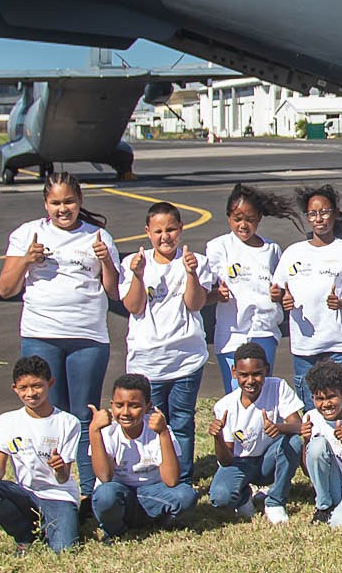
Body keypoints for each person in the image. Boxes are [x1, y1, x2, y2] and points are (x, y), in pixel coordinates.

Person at [0, 171, 117, 497]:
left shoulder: (98, 236)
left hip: (86, 337)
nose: (63, 209)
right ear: (45, 203)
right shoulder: (27, 234)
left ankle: (91, 492)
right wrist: (25, 261)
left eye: (69, 202)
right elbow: (6, 288)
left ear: (79, 202)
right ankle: (51, 490)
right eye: (56, 202)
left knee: (83, 418)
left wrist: (107, 262)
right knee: (48, 416)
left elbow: (115, 292)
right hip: (41, 334)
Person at [117, 202, 215, 483]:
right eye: (158, 231)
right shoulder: (134, 263)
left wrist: (191, 273)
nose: (165, 237)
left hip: (186, 359)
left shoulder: (195, 261)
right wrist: (137, 275)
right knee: (151, 423)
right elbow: (134, 306)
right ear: (147, 232)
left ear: (181, 229)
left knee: (182, 422)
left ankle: (181, 479)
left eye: (171, 229)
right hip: (147, 362)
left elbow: (195, 304)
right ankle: (156, 476)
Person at [0, 356, 83, 555]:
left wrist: (59, 467)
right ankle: (24, 535)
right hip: (25, 494)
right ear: (15, 388)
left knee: (64, 551)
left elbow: (63, 477)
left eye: (37, 386)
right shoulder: (6, 421)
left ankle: (55, 524)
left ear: (50, 384)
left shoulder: (68, 422)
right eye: (23, 388)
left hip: (58, 496)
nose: (31, 393)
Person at [204, 184, 293, 394]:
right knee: (237, 394)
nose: (243, 225)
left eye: (250, 219)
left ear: (259, 218)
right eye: (237, 218)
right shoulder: (219, 247)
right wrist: (216, 295)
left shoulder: (271, 249)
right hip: (232, 334)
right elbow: (203, 292)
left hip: (264, 330)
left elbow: (282, 288)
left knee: (261, 391)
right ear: (228, 217)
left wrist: (279, 295)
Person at [278, 185, 342, 409]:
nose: (319, 219)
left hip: (338, 344)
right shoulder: (293, 252)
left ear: (335, 213)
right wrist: (282, 298)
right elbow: (277, 289)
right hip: (305, 347)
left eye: (324, 212)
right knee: (312, 409)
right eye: (313, 214)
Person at [88, 373, 197, 539]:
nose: (125, 412)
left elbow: (171, 480)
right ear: (111, 405)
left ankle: (157, 523)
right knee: (105, 495)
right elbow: (104, 477)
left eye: (134, 406)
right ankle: (115, 531)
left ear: (147, 407)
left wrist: (163, 434)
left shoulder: (158, 429)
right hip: (119, 493)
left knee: (186, 495)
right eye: (119, 405)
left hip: (151, 494)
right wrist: (94, 431)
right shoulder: (107, 431)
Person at [208, 341, 305, 524]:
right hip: (240, 463)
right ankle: (244, 495)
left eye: (257, 374)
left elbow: (299, 426)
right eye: (243, 375)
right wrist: (218, 437)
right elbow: (226, 460)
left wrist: (279, 428)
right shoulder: (225, 406)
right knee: (220, 498)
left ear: (266, 370)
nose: (250, 381)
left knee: (294, 442)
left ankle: (275, 501)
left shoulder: (277, 387)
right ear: (234, 372)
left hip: (268, 459)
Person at [299, 359, 342, 527]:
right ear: (313, 398)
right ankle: (324, 506)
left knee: (339, 523)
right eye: (320, 399)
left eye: (331, 397)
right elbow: (308, 470)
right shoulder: (311, 418)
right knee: (317, 445)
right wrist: (306, 441)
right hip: (332, 483)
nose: (326, 404)